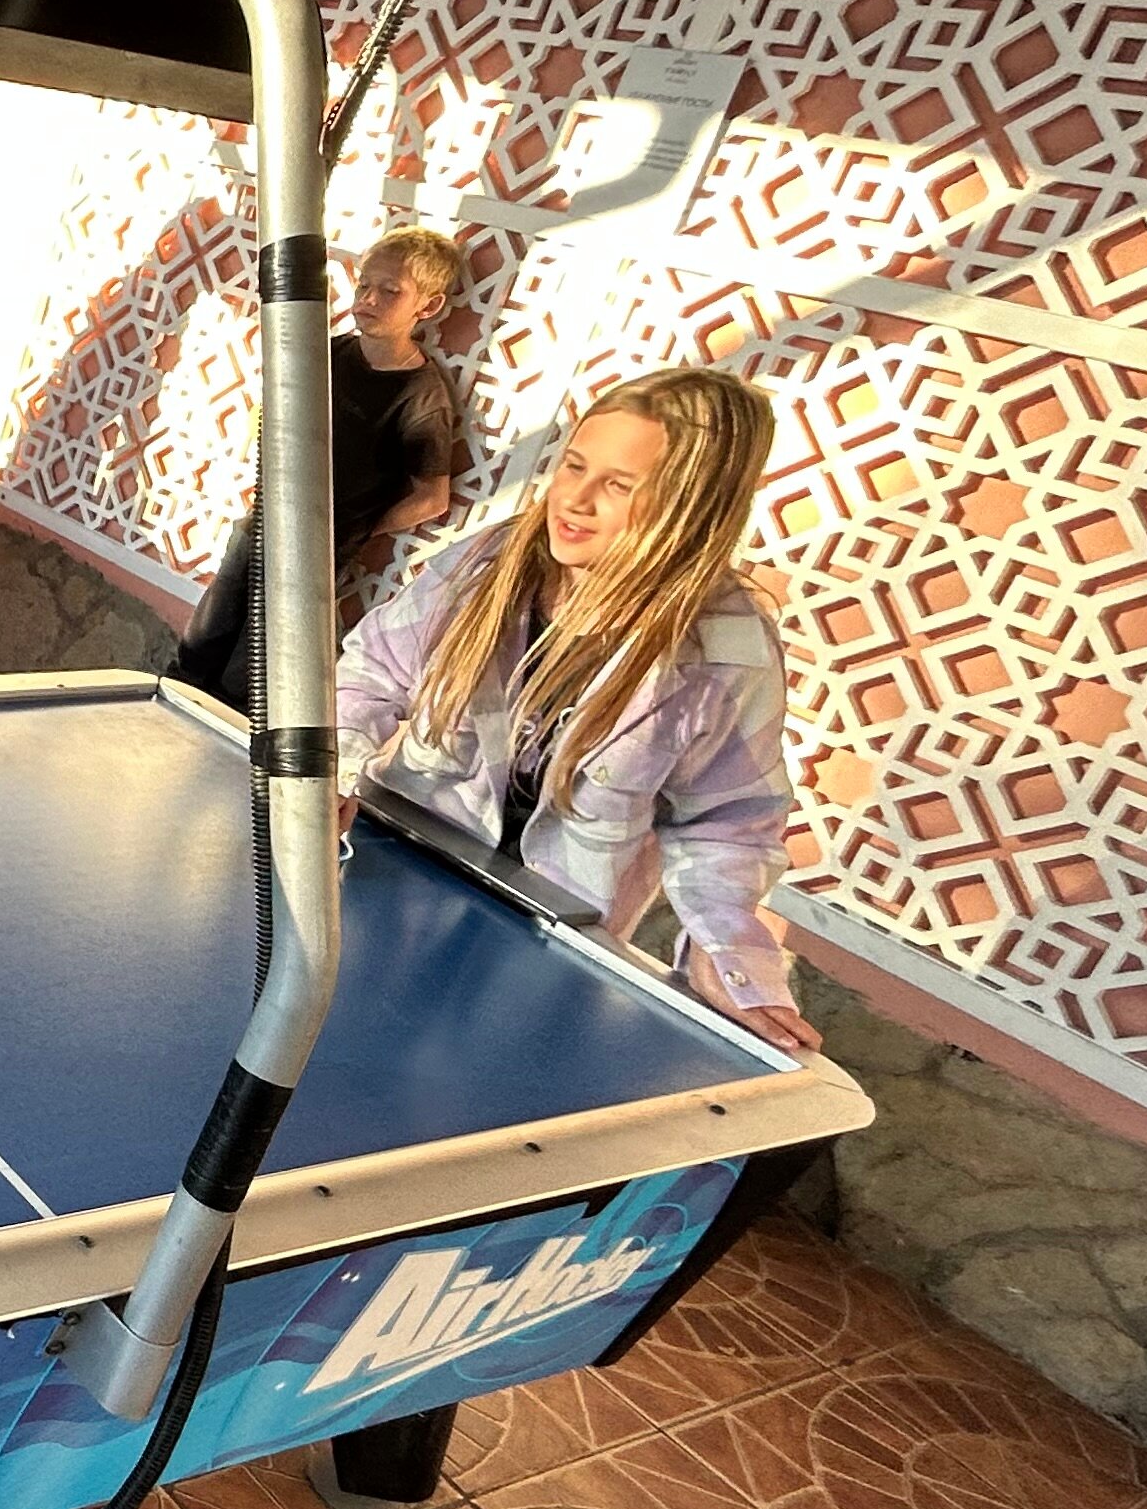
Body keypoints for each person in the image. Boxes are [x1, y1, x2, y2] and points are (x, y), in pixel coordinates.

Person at [334, 363, 821, 1055]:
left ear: (691, 506)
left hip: (546, 937)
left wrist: (726, 955)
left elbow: (727, 824)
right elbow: (371, 675)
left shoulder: (728, 649)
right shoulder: (487, 564)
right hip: (394, 868)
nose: (576, 499)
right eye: (574, 466)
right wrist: (333, 773)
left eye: (618, 485)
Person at [172, 226, 470, 706]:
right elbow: (274, 407)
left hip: (313, 553)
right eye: (364, 285)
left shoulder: (420, 396)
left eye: (390, 291)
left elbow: (432, 498)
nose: (368, 300)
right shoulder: (329, 353)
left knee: (248, 671)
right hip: (262, 521)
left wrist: (354, 525)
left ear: (428, 306)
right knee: (200, 645)